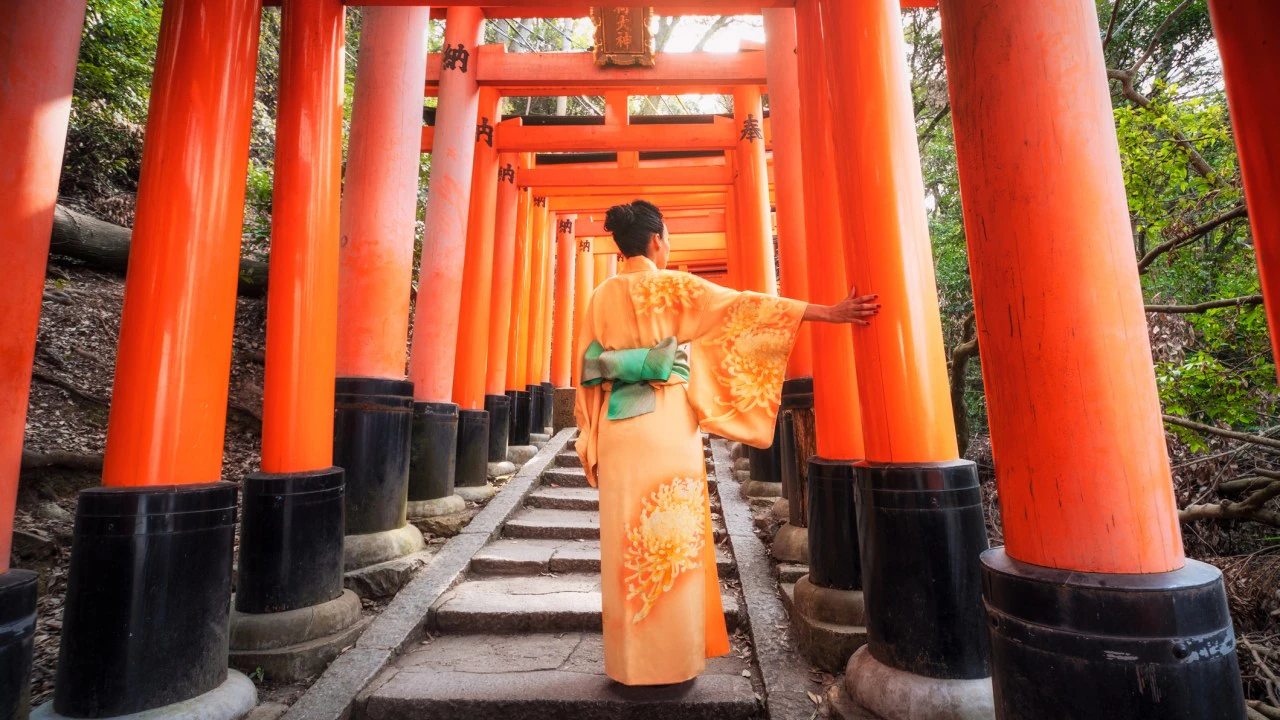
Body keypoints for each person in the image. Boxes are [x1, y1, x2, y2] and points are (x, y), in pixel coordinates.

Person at [574, 199, 880, 686]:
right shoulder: (676, 288)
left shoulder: (600, 296)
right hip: (667, 424)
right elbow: (749, 310)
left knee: (625, 542)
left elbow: (588, 370)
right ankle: (672, 661)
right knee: (673, 538)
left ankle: (629, 664)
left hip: (617, 426)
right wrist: (831, 313)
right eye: (668, 236)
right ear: (657, 240)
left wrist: (589, 437)